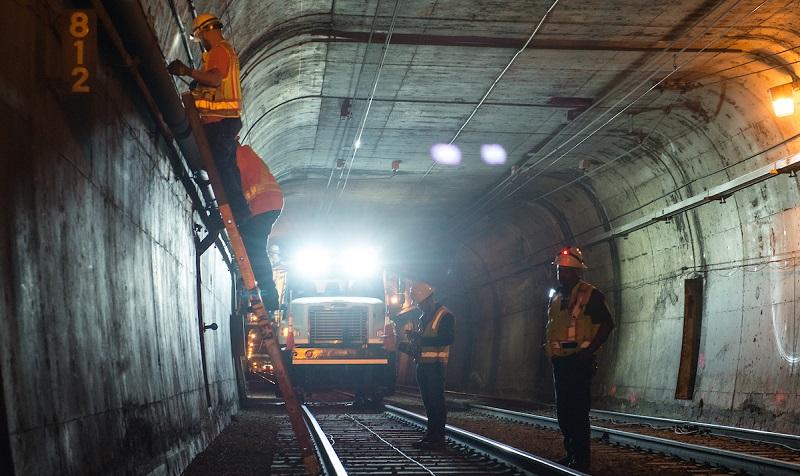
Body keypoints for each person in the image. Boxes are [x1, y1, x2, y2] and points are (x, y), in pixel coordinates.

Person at [167, 13, 250, 223]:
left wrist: (187, 71)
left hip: (220, 122)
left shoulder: (219, 51)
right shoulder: (224, 52)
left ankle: (237, 214)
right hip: (225, 122)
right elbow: (212, 87)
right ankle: (240, 213)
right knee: (227, 168)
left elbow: (214, 79)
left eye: (199, 37)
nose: (200, 42)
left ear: (204, 31)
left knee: (222, 169)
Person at [545, 247, 615, 472]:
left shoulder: (590, 294)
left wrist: (590, 351)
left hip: (579, 361)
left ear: (577, 272)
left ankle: (582, 459)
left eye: (565, 270)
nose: (560, 274)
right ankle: (571, 453)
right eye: (559, 269)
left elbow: (607, 324)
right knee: (564, 412)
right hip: (561, 362)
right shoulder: (556, 296)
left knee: (577, 412)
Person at [398, 282, 455, 450]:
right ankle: (431, 436)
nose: (418, 306)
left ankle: (438, 438)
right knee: (429, 403)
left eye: (419, 303)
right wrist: (409, 342)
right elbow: (424, 343)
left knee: (436, 402)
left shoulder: (444, 316)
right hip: (422, 366)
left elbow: (447, 338)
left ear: (428, 299)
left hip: (436, 367)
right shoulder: (424, 317)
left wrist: (421, 339)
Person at [235, 141, 284, 310]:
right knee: (253, 247)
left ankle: (269, 298)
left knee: (254, 249)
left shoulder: (234, 157)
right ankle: (263, 293)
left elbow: (233, 189)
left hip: (262, 204)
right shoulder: (244, 152)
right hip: (270, 202)